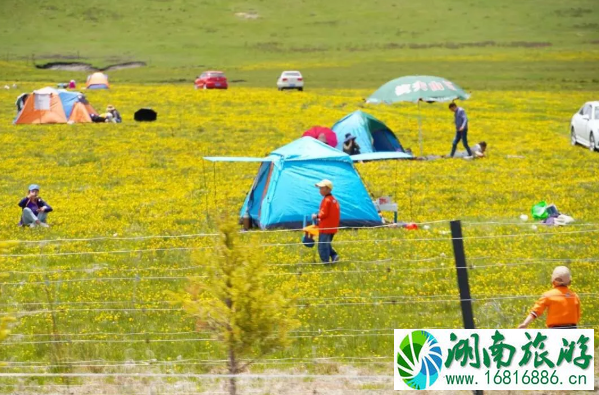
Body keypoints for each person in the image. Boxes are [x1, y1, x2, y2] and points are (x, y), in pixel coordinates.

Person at [312, 179, 340, 264]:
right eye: (319, 188)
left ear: (328, 189)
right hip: (332, 227)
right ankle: (334, 255)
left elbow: (323, 213)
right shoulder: (334, 200)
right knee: (326, 244)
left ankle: (326, 263)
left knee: (322, 246)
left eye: (321, 188)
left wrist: (316, 216)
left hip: (325, 227)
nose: (320, 190)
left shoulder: (326, 200)